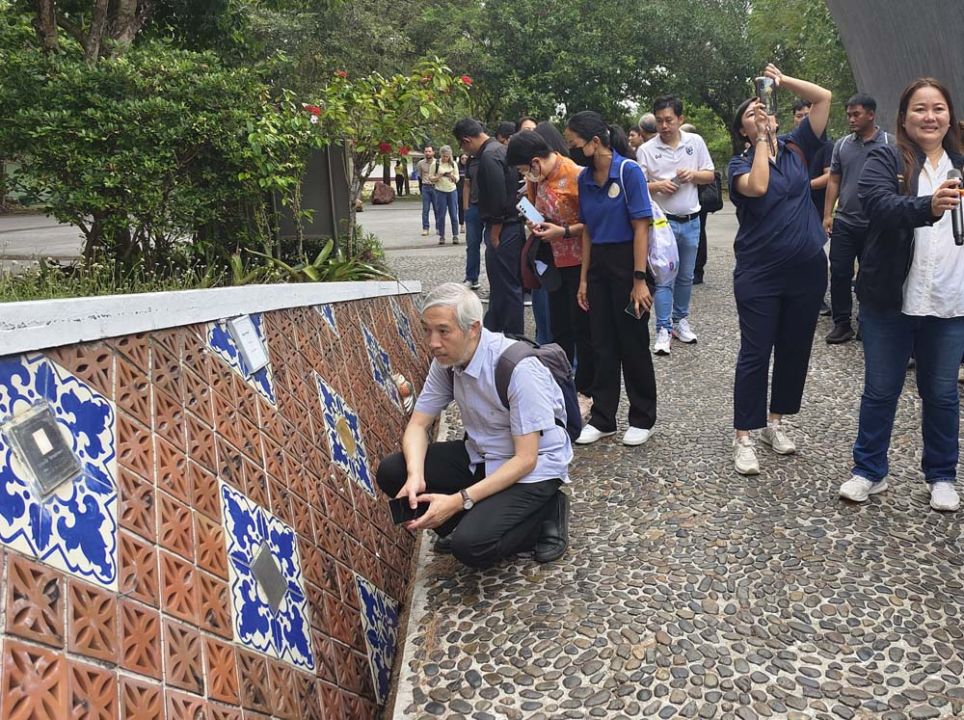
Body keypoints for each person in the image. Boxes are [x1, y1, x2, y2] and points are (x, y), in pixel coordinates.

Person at [375, 283, 572, 566]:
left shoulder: (518, 369)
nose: (433, 342)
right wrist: (415, 476)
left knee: (472, 547)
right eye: (427, 330)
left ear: (473, 329)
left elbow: (526, 459)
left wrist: (459, 500)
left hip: (533, 469)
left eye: (443, 331)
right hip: (482, 455)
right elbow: (418, 425)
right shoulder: (445, 361)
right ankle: (469, 518)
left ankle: (547, 513)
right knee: (393, 471)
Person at [838, 78, 964, 512]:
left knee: (943, 393)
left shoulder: (961, 164)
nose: (929, 117)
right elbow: (876, 206)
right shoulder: (885, 158)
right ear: (904, 117)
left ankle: (942, 475)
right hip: (890, 299)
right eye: (920, 109)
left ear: (949, 116)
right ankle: (869, 470)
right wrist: (926, 207)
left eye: (938, 109)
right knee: (880, 389)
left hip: (950, 300)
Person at [727, 65, 832, 475]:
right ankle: (744, 435)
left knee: (794, 349)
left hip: (806, 271)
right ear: (742, 130)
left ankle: (776, 422)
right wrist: (759, 142)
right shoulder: (737, 165)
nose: (761, 114)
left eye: (763, 109)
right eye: (751, 114)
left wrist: (783, 83)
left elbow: (822, 98)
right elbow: (758, 186)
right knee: (755, 352)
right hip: (759, 274)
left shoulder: (797, 148)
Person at [565, 111, 658, 447]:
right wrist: (584, 279)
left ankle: (642, 416)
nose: (571, 149)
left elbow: (641, 227)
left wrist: (639, 279)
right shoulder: (584, 179)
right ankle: (604, 417)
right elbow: (587, 230)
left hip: (627, 262)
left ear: (594, 142)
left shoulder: (628, 171)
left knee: (632, 343)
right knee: (600, 344)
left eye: (575, 143)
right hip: (599, 266)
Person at [506, 125, 594, 415]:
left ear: (535, 161)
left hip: (580, 263)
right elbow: (531, 207)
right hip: (552, 262)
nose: (524, 176)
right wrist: (534, 221)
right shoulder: (537, 178)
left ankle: (585, 391)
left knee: (584, 330)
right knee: (559, 329)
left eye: (524, 169)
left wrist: (564, 231)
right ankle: (560, 386)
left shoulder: (577, 176)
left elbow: (594, 224)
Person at [638, 96, 716, 355]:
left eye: (669, 120)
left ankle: (680, 320)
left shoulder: (695, 142)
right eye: (659, 121)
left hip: (692, 220)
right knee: (664, 277)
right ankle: (662, 328)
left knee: (686, 276)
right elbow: (637, 186)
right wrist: (657, 186)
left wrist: (692, 175)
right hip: (663, 224)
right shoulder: (646, 150)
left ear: (680, 119)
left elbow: (710, 174)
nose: (664, 126)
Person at [822, 94, 892, 344]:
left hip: (876, 224)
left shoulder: (889, 144)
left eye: (856, 114)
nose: (851, 119)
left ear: (871, 115)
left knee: (870, 276)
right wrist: (828, 214)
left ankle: (867, 323)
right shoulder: (842, 145)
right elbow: (834, 179)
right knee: (839, 271)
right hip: (845, 221)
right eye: (849, 115)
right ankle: (842, 323)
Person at [454, 118, 525, 334]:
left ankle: (513, 337)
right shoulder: (500, 150)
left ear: (466, 140)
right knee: (501, 286)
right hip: (509, 225)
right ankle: (495, 332)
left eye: (462, 145)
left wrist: (495, 233)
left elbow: (497, 197)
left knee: (507, 286)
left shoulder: (489, 156)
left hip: (504, 228)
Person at [429, 145, 460, 246]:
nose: (446, 158)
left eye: (447, 156)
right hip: (440, 191)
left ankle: (455, 235)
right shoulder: (435, 164)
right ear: (441, 154)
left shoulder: (453, 163)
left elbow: (457, 178)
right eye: (444, 156)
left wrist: (452, 177)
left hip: (452, 190)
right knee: (441, 215)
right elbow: (430, 177)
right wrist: (439, 176)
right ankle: (442, 236)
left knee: (454, 214)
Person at [417, 146, 438, 238]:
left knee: (437, 209)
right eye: (426, 151)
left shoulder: (438, 163)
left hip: (436, 188)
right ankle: (425, 228)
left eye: (429, 151)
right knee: (425, 209)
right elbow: (420, 176)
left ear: (433, 152)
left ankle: (439, 227)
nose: (428, 153)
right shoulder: (420, 163)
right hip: (425, 187)